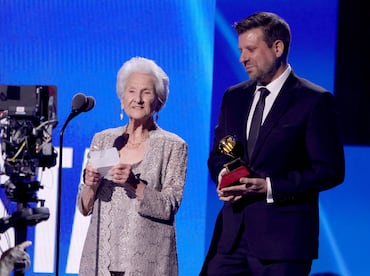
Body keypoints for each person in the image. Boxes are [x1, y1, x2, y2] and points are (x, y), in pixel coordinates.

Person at [201, 12, 345, 276]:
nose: (242, 58)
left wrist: (270, 186)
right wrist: (224, 175)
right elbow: (219, 153)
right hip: (230, 240)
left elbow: (329, 170)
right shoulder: (234, 97)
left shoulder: (314, 101)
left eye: (251, 49)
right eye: (241, 50)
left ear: (277, 48)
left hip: (283, 244)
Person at [76, 57, 188, 275]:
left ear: (159, 101)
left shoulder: (173, 146)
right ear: (121, 98)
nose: (137, 99)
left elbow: (169, 206)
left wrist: (133, 183)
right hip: (100, 261)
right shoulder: (103, 139)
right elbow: (84, 207)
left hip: (148, 264)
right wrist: (91, 185)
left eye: (146, 92)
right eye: (131, 91)